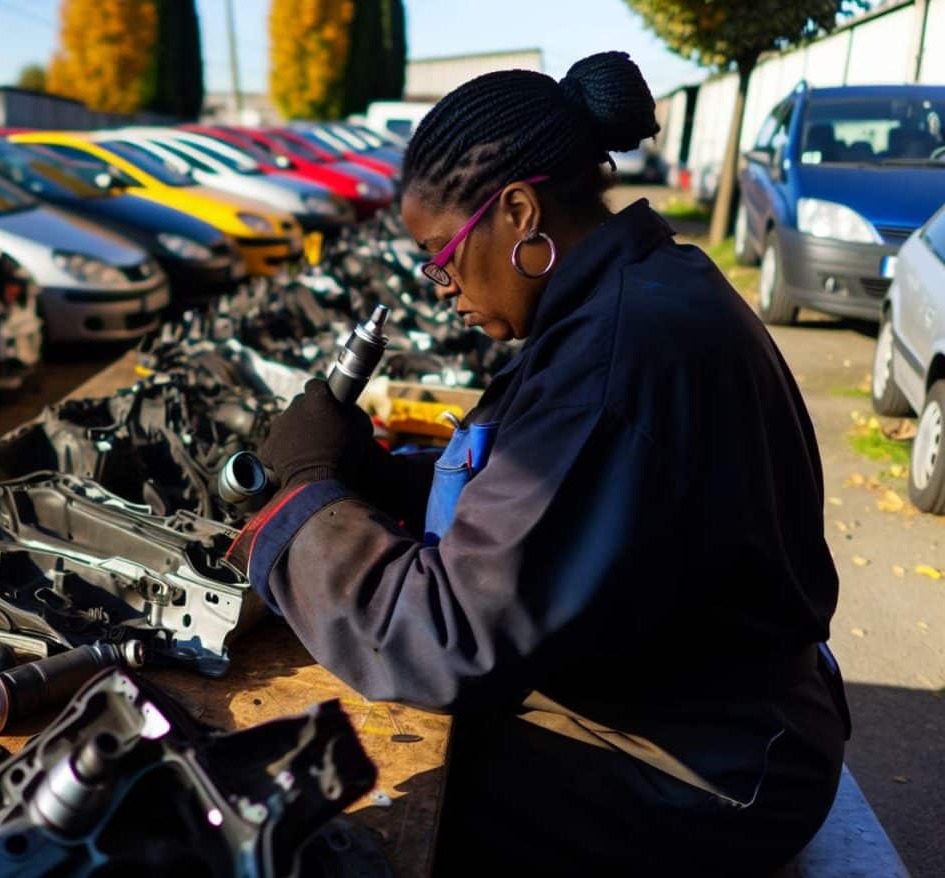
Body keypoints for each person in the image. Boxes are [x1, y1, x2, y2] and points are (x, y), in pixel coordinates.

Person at [235, 52, 849, 875]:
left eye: (441, 254)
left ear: (519, 212)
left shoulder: (612, 360)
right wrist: (372, 477)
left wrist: (303, 503)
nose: (439, 285)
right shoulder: (635, 292)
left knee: (363, 813)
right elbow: (540, 505)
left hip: (709, 776)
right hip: (711, 718)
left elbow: (446, 638)